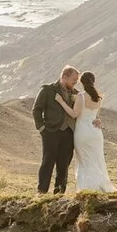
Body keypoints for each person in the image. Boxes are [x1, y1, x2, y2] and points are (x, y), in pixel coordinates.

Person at [55, 71, 116, 192]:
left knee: (84, 160)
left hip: (83, 132)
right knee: (97, 160)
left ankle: (87, 187)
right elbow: (96, 117)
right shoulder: (98, 98)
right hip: (95, 133)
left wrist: (61, 102)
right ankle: (100, 185)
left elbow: (74, 114)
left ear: (81, 82)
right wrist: (98, 120)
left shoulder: (81, 96)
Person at [32, 65, 81, 194]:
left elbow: (79, 113)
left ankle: (59, 193)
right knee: (48, 161)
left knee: (64, 164)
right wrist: (42, 128)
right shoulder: (48, 90)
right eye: (74, 80)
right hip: (51, 132)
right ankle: (41, 191)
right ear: (64, 77)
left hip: (69, 133)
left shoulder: (76, 94)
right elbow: (36, 110)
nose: (75, 83)